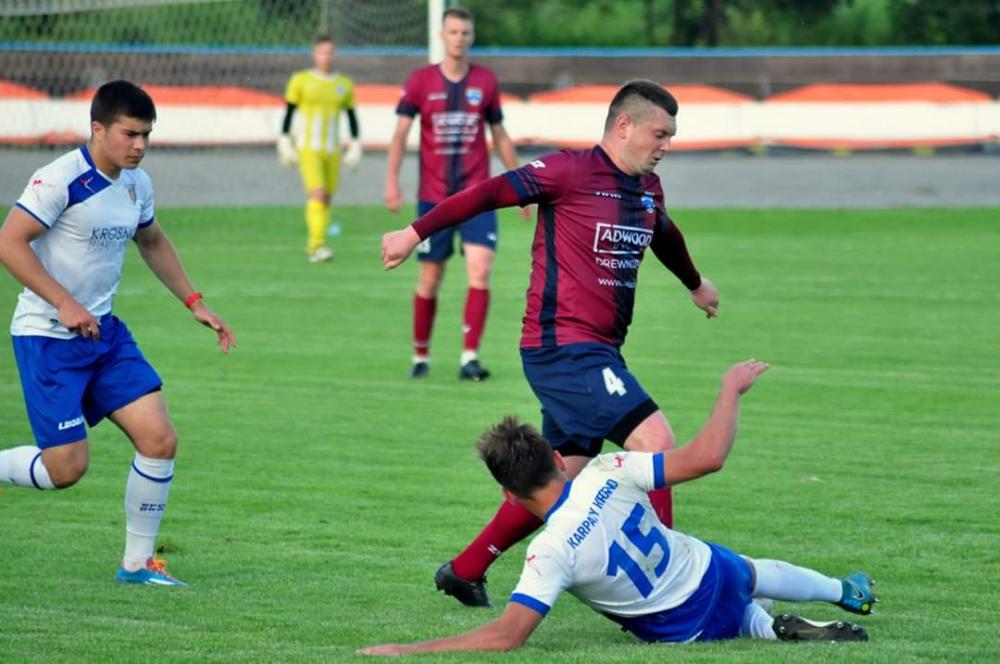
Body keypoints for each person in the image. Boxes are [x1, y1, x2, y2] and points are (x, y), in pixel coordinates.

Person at [381, 79, 719, 606]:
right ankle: (672, 583)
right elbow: (489, 193)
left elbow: (665, 234)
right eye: (660, 134)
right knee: (656, 442)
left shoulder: (648, 189)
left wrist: (695, 284)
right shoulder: (568, 171)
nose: (667, 146)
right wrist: (414, 232)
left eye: (671, 136)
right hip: (563, 347)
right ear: (623, 125)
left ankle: (465, 570)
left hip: (596, 351)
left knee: (561, 478)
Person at [359, 360, 878, 655]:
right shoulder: (610, 468)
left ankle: (765, 626)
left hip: (683, 625)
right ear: (558, 460)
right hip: (710, 567)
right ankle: (843, 591)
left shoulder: (549, 553)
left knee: (739, 619)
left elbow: (507, 635)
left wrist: (407, 651)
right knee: (753, 572)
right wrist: (730, 390)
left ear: (509, 496)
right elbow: (708, 458)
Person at [0, 80, 236, 586]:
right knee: (66, 470)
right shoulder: (59, 179)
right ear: (98, 129)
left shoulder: (137, 183)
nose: (140, 145)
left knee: (159, 439)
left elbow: (152, 241)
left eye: (147, 135)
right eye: (130, 134)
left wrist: (194, 302)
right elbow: (9, 242)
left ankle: (137, 565)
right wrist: (63, 301)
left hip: (105, 336)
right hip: (48, 338)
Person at [384, 6, 526, 381]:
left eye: (465, 33)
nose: (459, 38)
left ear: (472, 37)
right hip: (434, 198)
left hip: (479, 197)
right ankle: (421, 355)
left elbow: (499, 135)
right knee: (430, 278)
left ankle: (469, 358)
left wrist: (521, 185)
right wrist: (392, 182)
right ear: (442, 36)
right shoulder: (419, 81)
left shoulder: (486, 81)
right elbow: (400, 134)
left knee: (480, 270)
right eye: (453, 32)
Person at [278, 33, 362, 263]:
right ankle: (316, 246)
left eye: (330, 52)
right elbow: (289, 112)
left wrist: (355, 144)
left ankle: (318, 243)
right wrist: (284, 141)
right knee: (318, 193)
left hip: (332, 149)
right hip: (308, 147)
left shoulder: (343, 84)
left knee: (326, 198)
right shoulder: (301, 80)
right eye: (322, 52)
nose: (326, 56)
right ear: (315, 54)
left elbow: (351, 116)